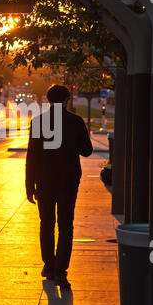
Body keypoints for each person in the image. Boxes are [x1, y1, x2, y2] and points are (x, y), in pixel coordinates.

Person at [26, 84, 93, 289]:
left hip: (44, 182)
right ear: (67, 101)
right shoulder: (75, 122)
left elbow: (32, 157)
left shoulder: (37, 122)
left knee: (46, 223)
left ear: (47, 100)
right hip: (68, 181)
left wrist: (29, 185)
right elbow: (87, 151)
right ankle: (60, 272)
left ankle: (48, 266)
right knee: (66, 225)